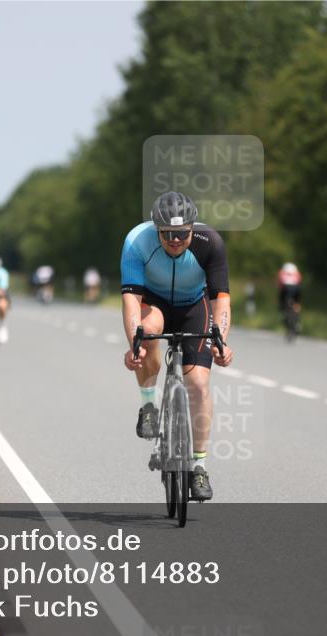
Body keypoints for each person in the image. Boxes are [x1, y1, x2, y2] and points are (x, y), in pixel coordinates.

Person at [120, 191, 234, 501]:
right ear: (156, 229)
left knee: (198, 384)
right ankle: (148, 405)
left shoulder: (210, 242)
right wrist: (135, 344)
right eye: (167, 234)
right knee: (145, 334)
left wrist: (221, 341)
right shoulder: (137, 241)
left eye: (182, 234)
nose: (174, 240)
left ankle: (199, 467)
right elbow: (131, 300)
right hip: (154, 303)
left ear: (192, 228)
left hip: (194, 306)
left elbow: (221, 301)